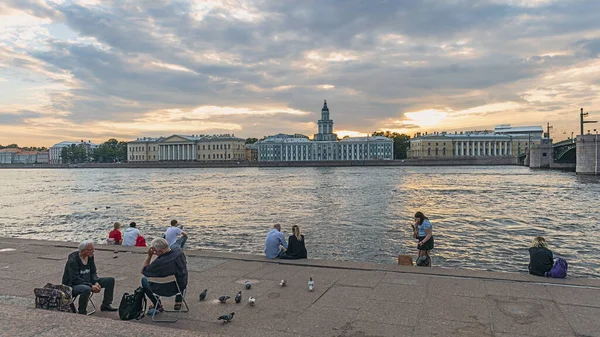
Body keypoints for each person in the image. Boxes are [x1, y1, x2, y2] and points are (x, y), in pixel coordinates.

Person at [62, 240, 117, 314]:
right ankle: (82, 311)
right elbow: (75, 279)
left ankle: (106, 305)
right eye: (90, 250)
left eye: (93, 249)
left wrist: (96, 282)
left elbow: (93, 272)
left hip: (88, 281)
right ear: (83, 251)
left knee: (110, 281)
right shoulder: (73, 261)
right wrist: (91, 286)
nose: (93, 251)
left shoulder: (90, 257)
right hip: (73, 285)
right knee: (86, 289)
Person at [141, 238, 188, 313]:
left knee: (144, 279)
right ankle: (178, 302)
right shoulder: (179, 251)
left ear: (161, 251)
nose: (155, 253)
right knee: (180, 272)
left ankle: (157, 304)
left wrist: (149, 256)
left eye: (155, 252)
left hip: (165, 290)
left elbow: (143, 270)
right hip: (180, 286)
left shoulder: (159, 263)